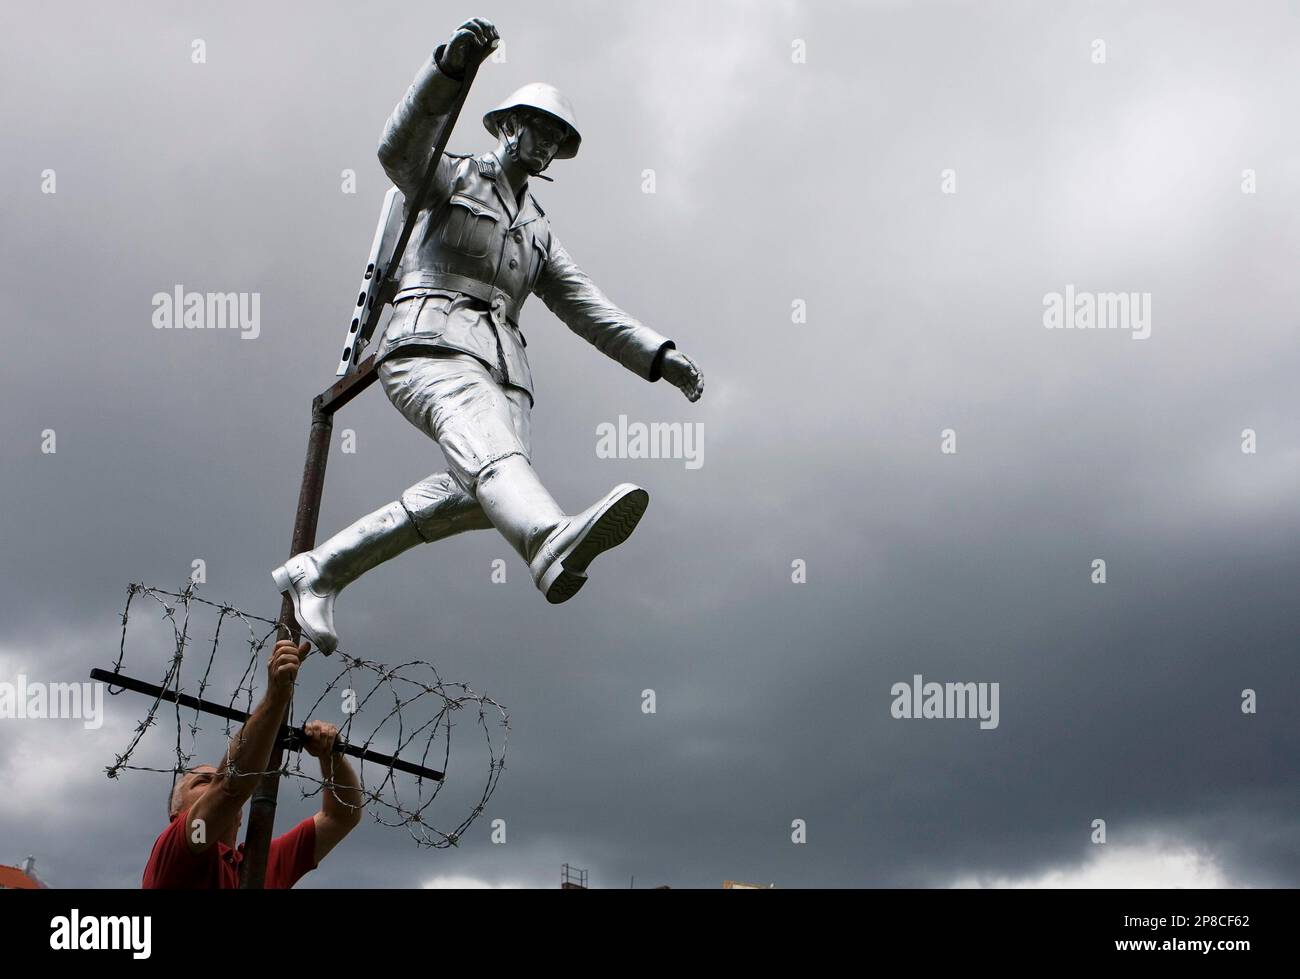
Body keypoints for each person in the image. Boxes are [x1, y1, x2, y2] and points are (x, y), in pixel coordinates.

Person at [273, 17, 705, 654]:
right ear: (508, 124)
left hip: (505, 371)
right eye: (539, 127)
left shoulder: (537, 228)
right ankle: (549, 540)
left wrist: (658, 355)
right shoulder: (450, 176)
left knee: (477, 496)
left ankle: (322, 570)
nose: (546, 143)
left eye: (558, 137)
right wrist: (446, 70)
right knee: (501, 474)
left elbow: (586, 306)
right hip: (429, 345)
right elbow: (398, 150)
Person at [142, 639, 363, 887]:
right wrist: (276, 697)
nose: (214, 782)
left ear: (241, 816)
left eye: (214, 778)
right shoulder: (183, 847)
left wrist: (330, 756)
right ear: (176, 815)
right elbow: (229, 788)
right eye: (202, 782)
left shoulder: (260, 861)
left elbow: (341, 817)